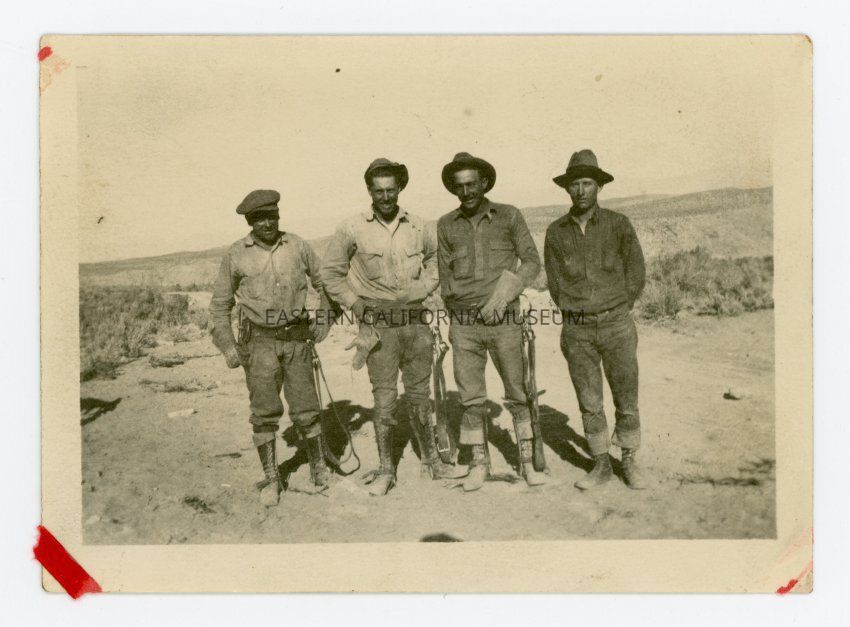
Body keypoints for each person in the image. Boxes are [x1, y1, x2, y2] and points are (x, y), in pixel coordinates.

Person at [319, 158, 464, 496]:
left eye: (391, 190)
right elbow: (330, 274)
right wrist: (356, 305)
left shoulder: (419, 226)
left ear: (400, 189)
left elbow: (437, 261)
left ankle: (432, 461)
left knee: (420, 396)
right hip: (378, 329)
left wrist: (423, 288)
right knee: (384, 400)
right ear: (369, 191)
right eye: (378, 191)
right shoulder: (352, 228)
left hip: (416, 325)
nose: (385, 197)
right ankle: (386, 469)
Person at [209, 189, 336, 507]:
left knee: (307, 408)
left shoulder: (298, 246)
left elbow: (326, 283)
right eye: (259, 218)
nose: (267, 223)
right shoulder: (236, 254)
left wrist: (324, 321)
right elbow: (220, 305)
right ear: (250, 222)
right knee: (264, 413)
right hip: (259, 345)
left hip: (297, 340)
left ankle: (319, 468)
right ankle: (272, 478)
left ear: (279, 215)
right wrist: (228, 346)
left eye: (272, 216)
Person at [436, 152, 547, 491]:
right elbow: (445, 278)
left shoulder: (509, 215)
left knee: (517, 391)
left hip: (504, 320)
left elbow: (532, 262)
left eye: (472, 184)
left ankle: (526, 463)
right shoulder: (445, 224)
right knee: (470, 397)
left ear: (484, 183)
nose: (466, 192)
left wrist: (504, 296)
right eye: (459, 186)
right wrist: (456, 316)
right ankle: (478, 464)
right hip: (464, 325)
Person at [544, 149, 647, 490]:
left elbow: (636, 272)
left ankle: (629, 461)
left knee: (626, 396)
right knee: (589, 401)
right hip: (578, 331)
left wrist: (618, 307)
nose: (581, 191)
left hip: (617, 325)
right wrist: (576, 312)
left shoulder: (619, 224)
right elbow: (555, 283)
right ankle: (601, 463)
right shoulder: (556, 232)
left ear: (599, 186)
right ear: (567, 189)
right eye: (574, 184)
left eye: (587, 183)